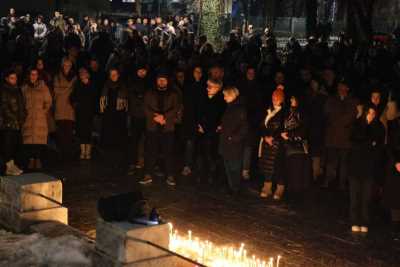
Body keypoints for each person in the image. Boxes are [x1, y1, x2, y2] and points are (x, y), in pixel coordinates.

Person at [348, 105, 385, 233]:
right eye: (369, 113)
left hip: (369, 168)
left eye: (373, 113)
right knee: (355, 196)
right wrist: (366, 128)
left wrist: (368, 142)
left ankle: (364, 221)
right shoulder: (357, 124)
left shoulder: (379, 127)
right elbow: (354, 141)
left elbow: (378, 146)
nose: (371, 115)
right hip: (355, 167)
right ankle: (354, 221)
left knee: (366, 197)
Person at [141, 71, 179, 186]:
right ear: (156, 81)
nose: (162, 82)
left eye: (164, 79)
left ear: (167, 81)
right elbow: (145, 107)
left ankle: (170, 175)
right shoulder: (149, 93)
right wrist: (156, 117)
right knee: (150, 151)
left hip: (167, 127)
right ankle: (148, 174)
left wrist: (164, 117)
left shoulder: (173, 93)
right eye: (159, 79)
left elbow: (176, 107)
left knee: (168, 152)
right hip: (152, 127)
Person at [323, 79, 358, 189]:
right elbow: (327, 114)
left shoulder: (352, 101)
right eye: (339, 86)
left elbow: (351, 116)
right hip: (333, 136)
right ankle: (328, 181)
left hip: (345, 137)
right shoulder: (331, 99)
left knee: (344, 162)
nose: (341, 89)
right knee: (331, 161)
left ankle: (342, 183)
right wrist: (337, 121)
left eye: (343, 87)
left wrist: (339, 122)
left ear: (347, 88)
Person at [196, 79, 226, 184]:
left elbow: (219, 118)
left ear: (217, 88)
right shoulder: (202, 98)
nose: (207, 88)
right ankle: (200, 174)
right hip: (201, 130)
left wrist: (213, 128)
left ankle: (211, 175)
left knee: (211, 154)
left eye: (210, 86)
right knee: (200, 153)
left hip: (213, 132)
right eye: (207, 86)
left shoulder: (221, 101)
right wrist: (199, 124)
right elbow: (198, 112)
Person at [219, 86, 248, 195]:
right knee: (228, 166)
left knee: (234, 167)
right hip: (227, 142)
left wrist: (233, 137)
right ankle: (232, 187)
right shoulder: (230, 107)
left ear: (232, 95)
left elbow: (244, 127)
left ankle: (235, 188)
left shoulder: (239, 108)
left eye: (226, 95)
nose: (224, 98)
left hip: (233, 144)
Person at [21, 68, 52, 170]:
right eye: (31, 74)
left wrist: (43, 112)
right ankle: (30, 160)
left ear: (38, 76)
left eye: (35, 74)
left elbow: (48, 101)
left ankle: (38, 160)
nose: (33, 76)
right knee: (29, 140)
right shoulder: (24, 88)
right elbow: (21, 102)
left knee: (39, 140)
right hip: (28, 118)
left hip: (40, 118)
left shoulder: (43, 88)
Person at [281, 94, 310, 200]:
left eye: (293, 98)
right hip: (288, 145)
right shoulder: (288, 111)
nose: (291, 100)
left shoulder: (302, 113)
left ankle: (297, 194)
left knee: (297, 170)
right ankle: (291, 192)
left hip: (298, 146)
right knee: (289, 170)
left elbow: (303, 130)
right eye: (291, 98)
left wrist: (289, 135)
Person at [258, 89, 285, 200]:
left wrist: (273, 137)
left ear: (282, 100)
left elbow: (283, 128)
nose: (275, 100)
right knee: (266, 165)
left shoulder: (284, 113)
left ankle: (280, 188)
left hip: (277, 144)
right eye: (274, 98)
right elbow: (262, 126)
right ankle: (267, 187)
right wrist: (265, 136)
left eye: (277, 98)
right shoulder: (268, 110)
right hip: (266, 143)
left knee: (278, 166)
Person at [100, 68, 128, 169]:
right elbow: (103, 100)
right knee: (109, 136)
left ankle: (118, 158)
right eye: (111, 74)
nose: (113, 76)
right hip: (108, 114)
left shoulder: (123, 86)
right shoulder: (106, 85)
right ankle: (108, 158)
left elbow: (126, 101)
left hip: (119, 115)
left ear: (118, 75)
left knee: (118, 137)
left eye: (115, 74)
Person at [0, 69, 26, 175]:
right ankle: (8, 167)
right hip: (8, 124)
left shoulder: (17, 90)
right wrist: (13, 118)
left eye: (15, 78)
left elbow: (21, 105)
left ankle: (12, 166)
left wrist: (23, 116)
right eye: (12, 78)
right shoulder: (4, 90)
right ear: (7, 78)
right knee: (8, 146)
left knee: (15, 146)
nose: (14, 80)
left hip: (17, 123)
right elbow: (4, 107)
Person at [126, 64, 150, 174]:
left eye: (144, 71)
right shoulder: (132, 82)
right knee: (134, 140)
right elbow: (131, 97)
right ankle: (132, 162)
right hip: (136, 115)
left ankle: (143, 160)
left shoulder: (149, 83)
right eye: (140, 70)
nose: (142, 73)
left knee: (146, 140)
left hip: (146, 116)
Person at [181, 66, 204, 177]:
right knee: (190, 143)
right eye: (196, 71)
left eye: (200, 72)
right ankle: (187, 165)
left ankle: (199, 168)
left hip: (201, 120)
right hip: (190, 120)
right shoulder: (188, 86)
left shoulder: (204, 86)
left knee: (199, 145)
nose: (198, 74)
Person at [70, 68, 97, 160]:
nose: (83, 75)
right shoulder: (77, 85)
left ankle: (88, 152)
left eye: (84, 73)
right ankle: (82, 151)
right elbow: (72, 97)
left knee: (88, 132)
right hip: (80, 112)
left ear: (88, 74)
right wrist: (76, 105)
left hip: (89, 112)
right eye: (81, 73)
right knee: (81, 132)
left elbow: (95, 98)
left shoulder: (92, 85)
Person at [53, 58, 76, 161]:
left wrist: (65, 89)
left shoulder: (74, 77)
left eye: (69, 65)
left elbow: (75, 92)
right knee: (61, 133)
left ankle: (68, 155)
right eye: (65, 65)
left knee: (69, 132)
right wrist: (69, 88)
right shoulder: (57, 77)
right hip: (60, 107)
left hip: (70, 109)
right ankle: (62, 154)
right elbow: (56, 91)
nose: (67, 67)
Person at [383, 101, 400, 233]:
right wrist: (396, 161)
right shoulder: (395, 124)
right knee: (395, 191)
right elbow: (391, 145)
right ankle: (394, 220)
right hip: (396, 163)